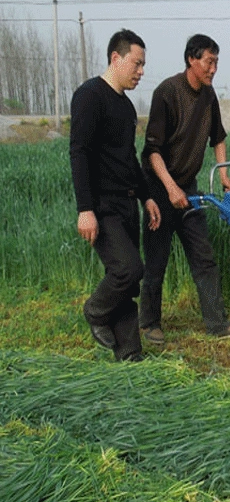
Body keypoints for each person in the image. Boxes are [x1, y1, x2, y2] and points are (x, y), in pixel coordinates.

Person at [139, 34, 230, 342]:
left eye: (216, 63)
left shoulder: (209, 96)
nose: (213, 69)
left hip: (190, 188)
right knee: (156, 259)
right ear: (191, 59)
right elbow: (152, 152)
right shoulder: (167, 93)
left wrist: (224, 175)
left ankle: (217, 324)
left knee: (203, 257)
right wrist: (171, 189)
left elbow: (218, 138)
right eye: (208, 62)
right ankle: (149, 324)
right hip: (160, 189)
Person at [69, 29, 161, 361]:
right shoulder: (89, 96)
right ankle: (95, 311)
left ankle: (130, 355)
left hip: (127, 202)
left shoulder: (125, 107)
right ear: (115, 58)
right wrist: (85, 209)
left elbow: (128, 158)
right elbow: (78, 152)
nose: (141, 71)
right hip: (102, 205)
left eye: (143, 65)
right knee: (128, 269)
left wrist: (146, 196)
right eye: (137, 63)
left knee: (128, 284)